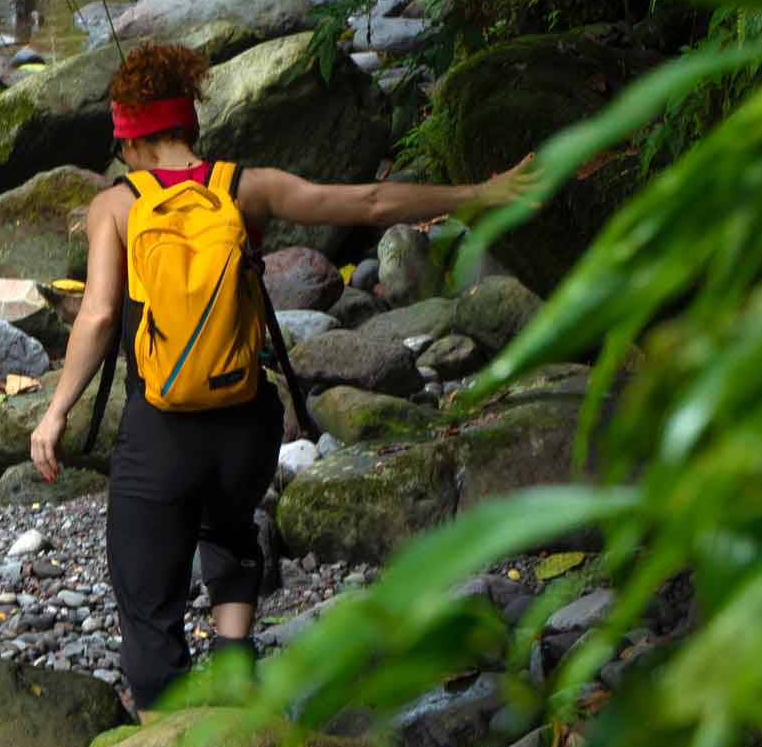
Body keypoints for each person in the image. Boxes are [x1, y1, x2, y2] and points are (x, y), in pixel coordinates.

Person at [27, 41, 537, 713]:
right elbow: (371, 201)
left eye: (121, 147)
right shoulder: (247, 187)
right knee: (231, 528)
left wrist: (56, 410)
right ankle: (238, 680)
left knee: (149, 601)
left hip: (161, 433)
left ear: (136, 139)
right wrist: (481, 190)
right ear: (188, 125)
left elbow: (95, 315)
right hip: (245, 424)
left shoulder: (117, 207)